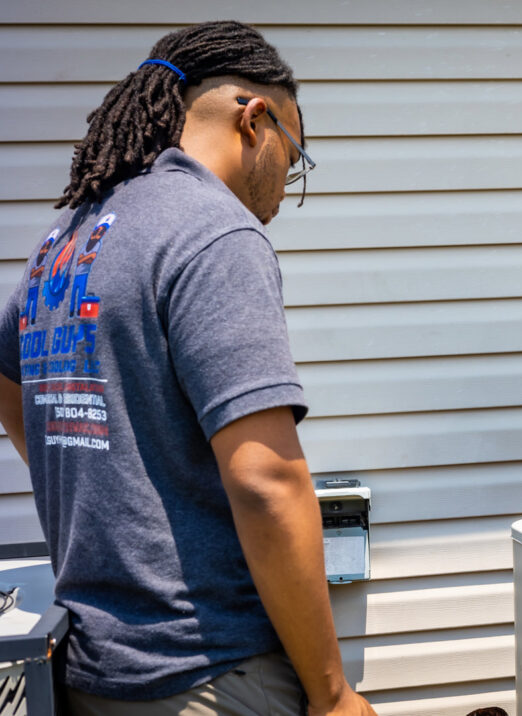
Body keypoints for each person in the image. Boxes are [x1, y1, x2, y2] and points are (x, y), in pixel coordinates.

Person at [0, 21, 376, 716]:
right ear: (255, 119)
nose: (281, 189)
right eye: (292, 158)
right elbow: (266, 479)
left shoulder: (68, 234)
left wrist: (94, 472)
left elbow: (6, 381)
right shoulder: (213, 229)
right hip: (209, 671)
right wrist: (331, 694)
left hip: (91, 667)